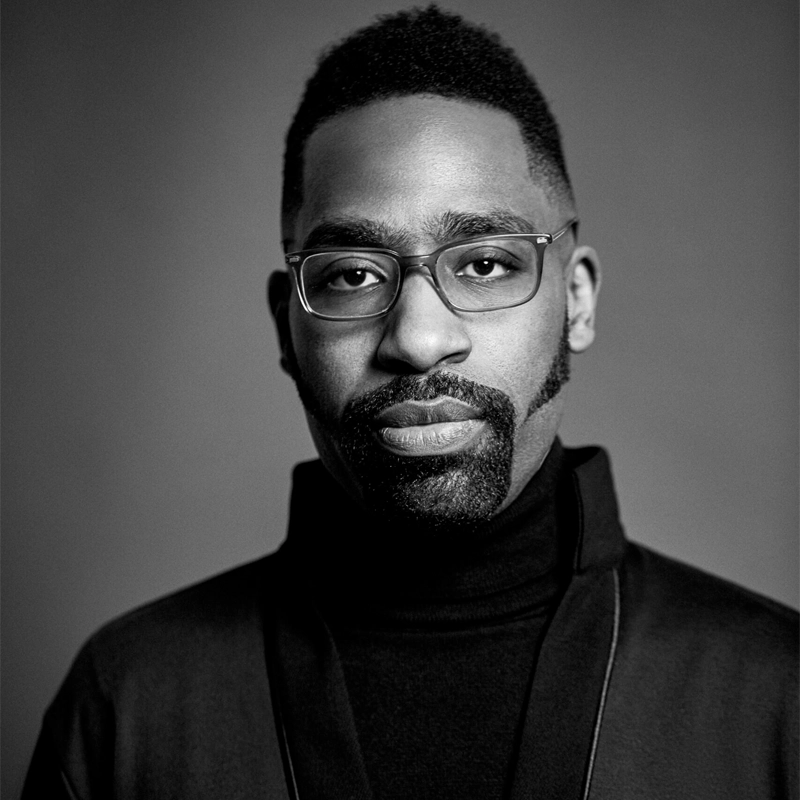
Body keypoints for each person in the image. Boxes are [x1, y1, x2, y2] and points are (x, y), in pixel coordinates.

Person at [22, 6, 797, 799]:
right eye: (352, 274)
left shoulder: (778, 693)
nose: (419, 340)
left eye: (487, 264)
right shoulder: (131, 702)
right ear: (286, 327)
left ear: (577, 300)